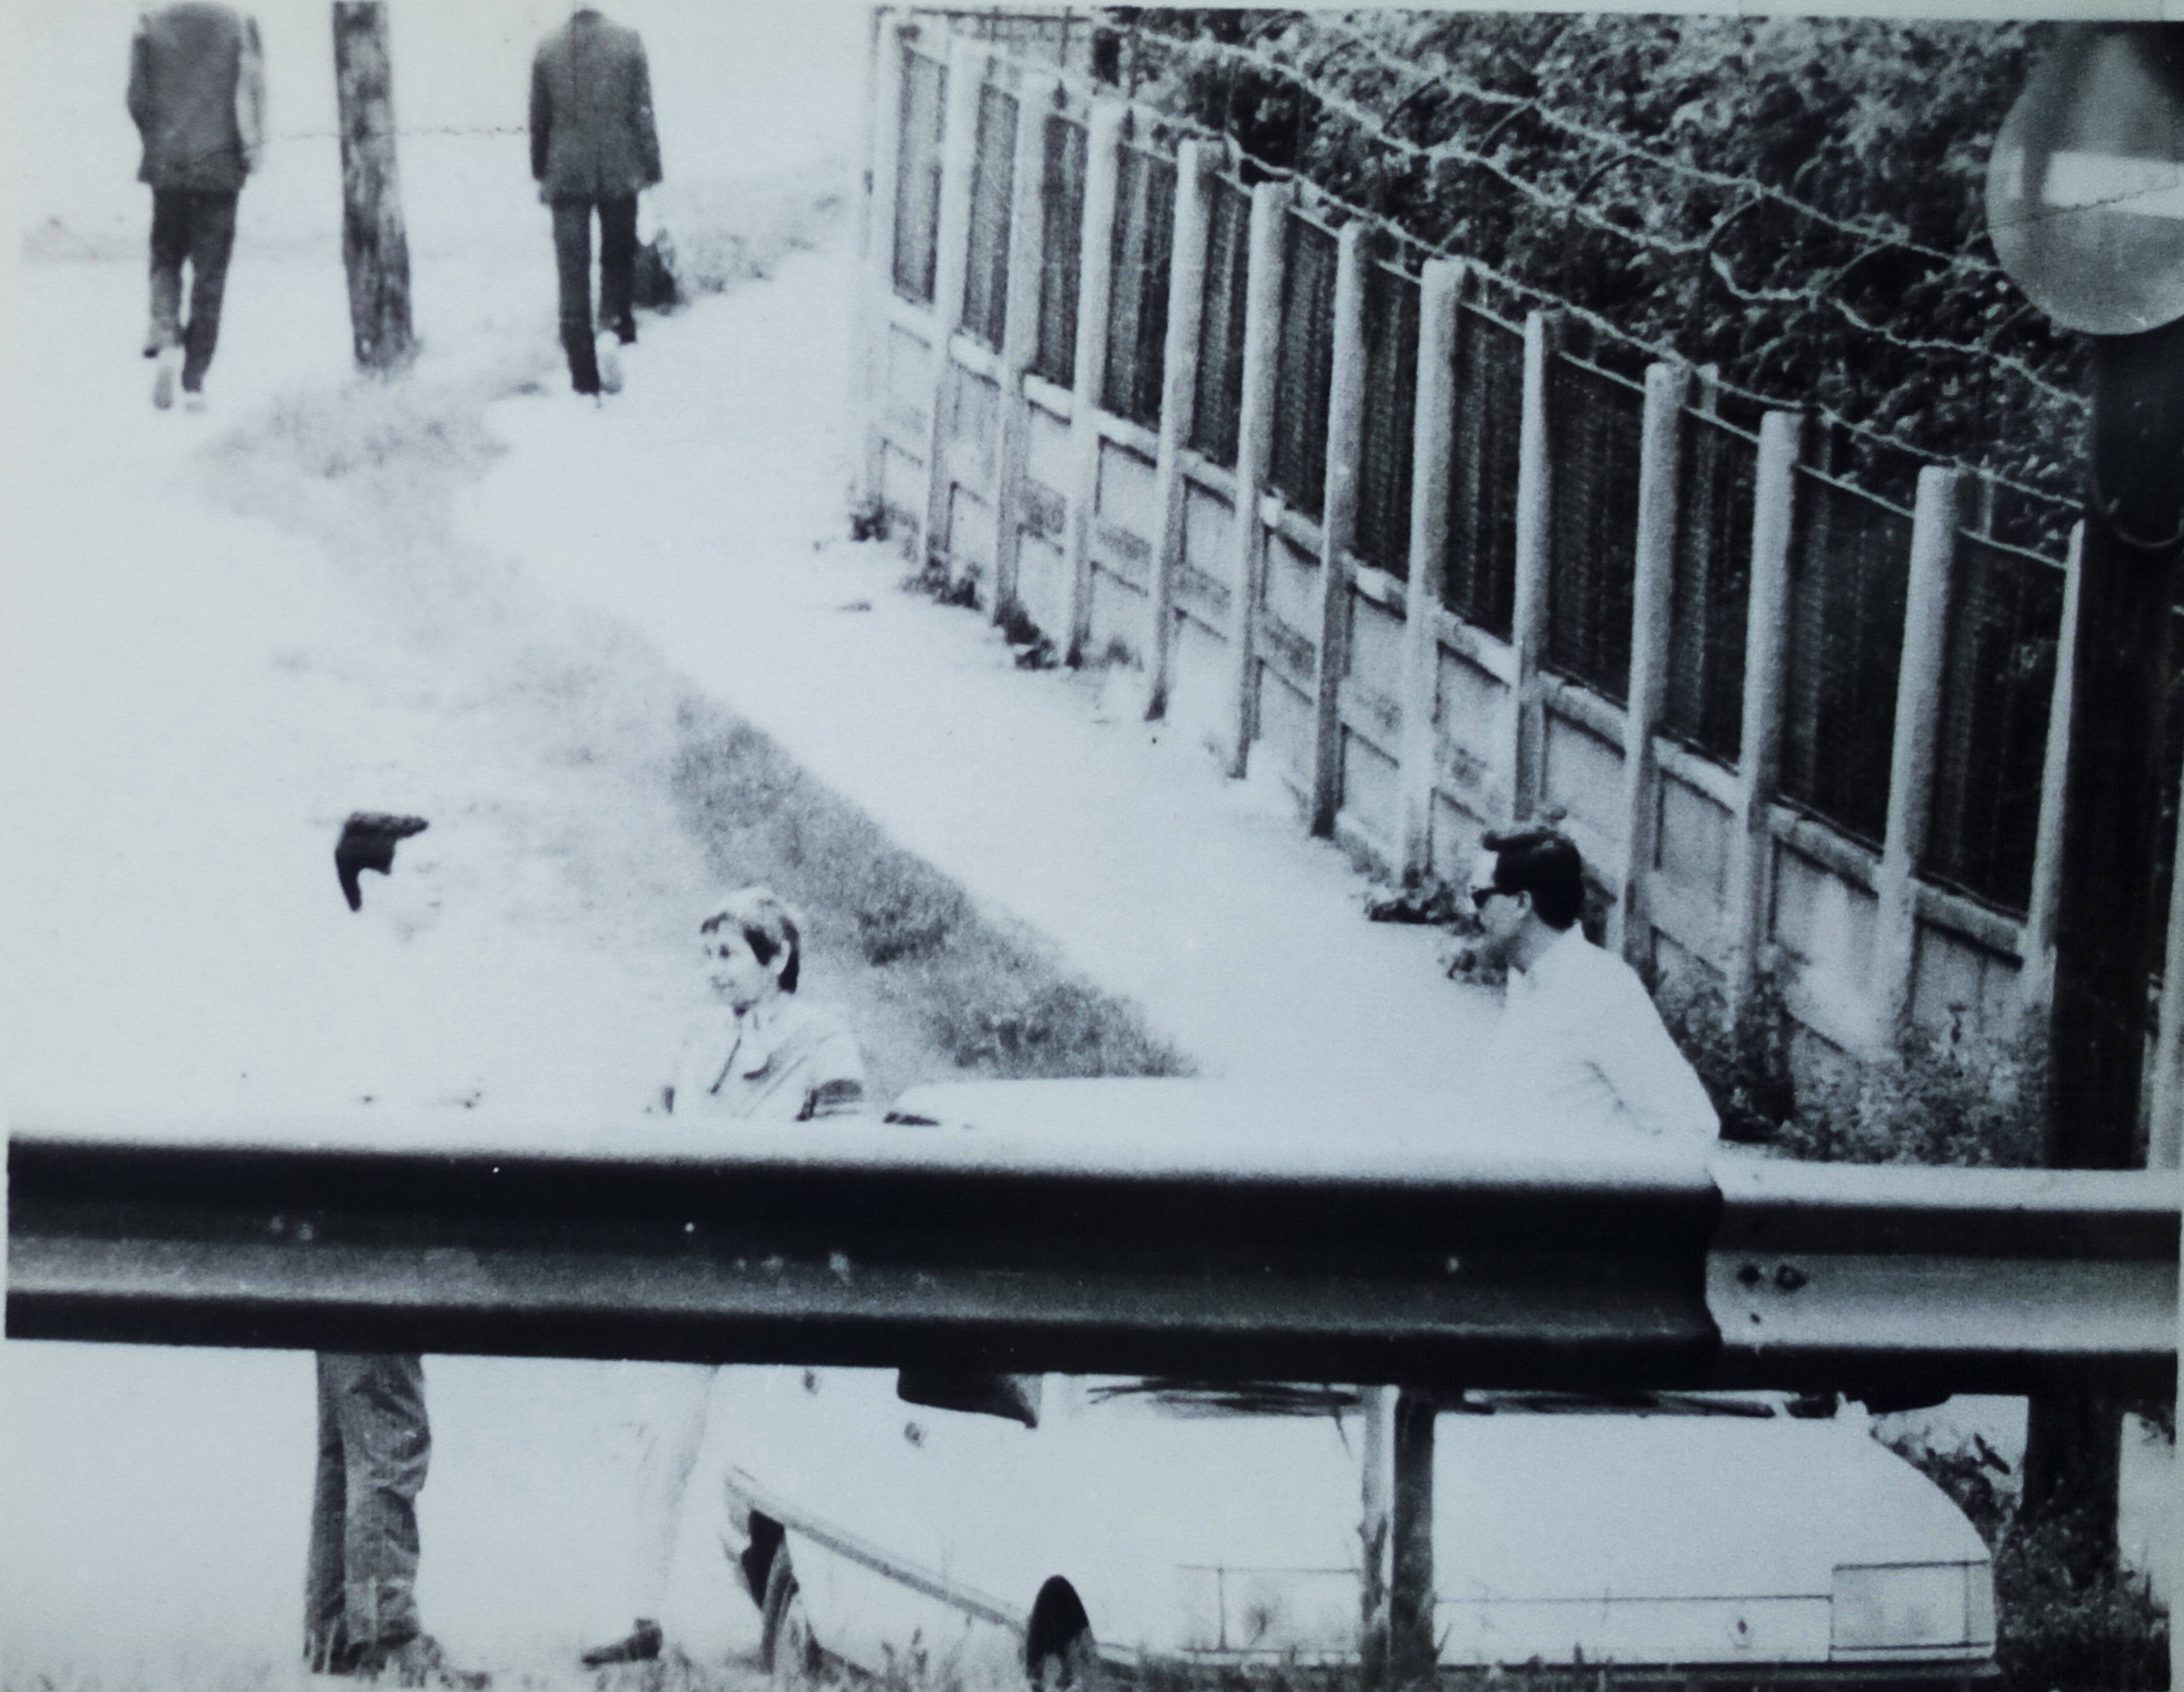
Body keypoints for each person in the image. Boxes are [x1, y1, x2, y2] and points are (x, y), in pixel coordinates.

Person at [582, 887, 866, 1668]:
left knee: (782, 1455)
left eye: (729, 954)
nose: (714, 972)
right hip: (696, 1271)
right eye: (706, 955)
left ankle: (813, 1626)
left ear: (776, 959)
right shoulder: (694, 1038)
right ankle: (639, 1613)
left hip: (780, 1281)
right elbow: (647, 1132)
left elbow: (853, 1158)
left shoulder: (824, 1037)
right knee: (661, 1440)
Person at [1469, 827, 1719, 1145]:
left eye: (1479, 897)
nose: (1472, 912)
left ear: (1521, 904)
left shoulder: (1603, 989)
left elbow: (1690, 1128)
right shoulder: (1528, 979)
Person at [306, 1354, 489, 1687]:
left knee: (350, 1448)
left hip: (341, 1305)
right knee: (387, 1434)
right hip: (373, 1307)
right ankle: (387, 1642)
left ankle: (339, 1641)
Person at [127, 2, 265, 412]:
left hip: (169, 165)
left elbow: (137, 98)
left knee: (166, 256)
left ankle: (167, 335)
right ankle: (194, 382)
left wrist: (158, 141)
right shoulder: (241, 24)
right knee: (211, 275)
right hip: (221, 168)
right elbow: (254, 95)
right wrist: (253, 153)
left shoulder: (149, 24)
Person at [529, 4, 662, 398]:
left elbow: (539, 120)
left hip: (566, 175)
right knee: (617, 262)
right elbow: (643, 114)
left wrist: (541, 170)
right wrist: (651, 168)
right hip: (620, 170)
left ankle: (583, 380)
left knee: (571, 274)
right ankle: (612, 330)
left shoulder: (547, 47)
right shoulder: (628, 40)